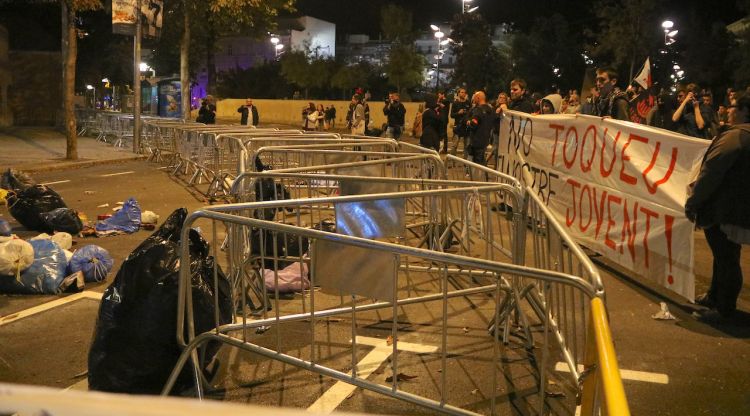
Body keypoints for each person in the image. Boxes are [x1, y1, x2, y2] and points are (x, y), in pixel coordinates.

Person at [685, 124, 750, 321]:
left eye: (733, 106)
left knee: (726, 258)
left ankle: (724, 309)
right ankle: (715, 296)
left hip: (725, 207)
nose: (728, 110)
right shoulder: (740, 135)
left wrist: (694, 201)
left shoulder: (735, 137)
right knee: (723, 254)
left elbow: (711, 171)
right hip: (736, 206)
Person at [465, 91, 496, 166]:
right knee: (482, 159)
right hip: (486, 138)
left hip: (477, 139)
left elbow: (473, 124)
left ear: (478, 98)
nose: (473, 99)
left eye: (474, 98)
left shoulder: (478, 110)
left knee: (478, 162)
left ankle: (480, 177)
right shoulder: (491, 109)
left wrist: (468, 122)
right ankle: (483, 176)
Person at [450, 87, 471, 156]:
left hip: (466, 127)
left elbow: (471, 114)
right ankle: (451, 162)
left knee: (467, 146)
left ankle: (466, 163)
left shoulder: (468, 103)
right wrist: (458, 113)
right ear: (458, 93)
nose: (463, 94)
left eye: (464, 92)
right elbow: (451, 115)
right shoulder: (455, 103)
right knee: (454, 145)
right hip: (458, 127)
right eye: (461, 92)